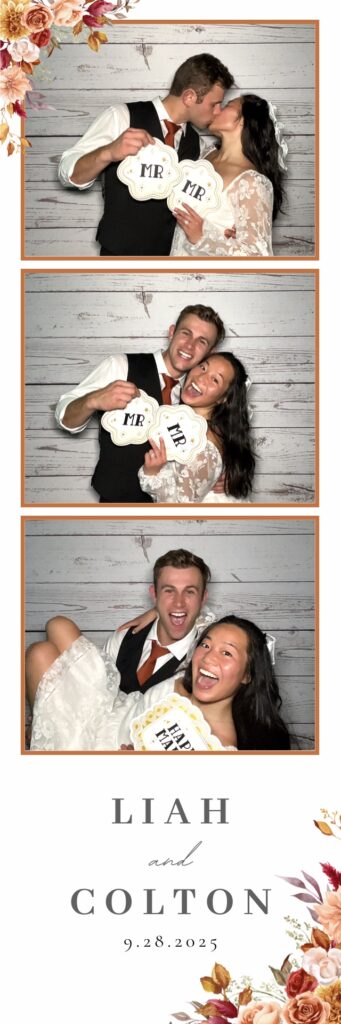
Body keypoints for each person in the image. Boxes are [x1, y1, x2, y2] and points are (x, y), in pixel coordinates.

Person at [28, 614, 290, 752]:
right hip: (112, 710)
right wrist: (157, 611)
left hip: (101, 749)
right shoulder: (189, 674)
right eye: (206, 645)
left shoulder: (218, 749)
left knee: (40, 653)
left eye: (227, 653)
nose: (209, 657)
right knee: (58, 625)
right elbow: (188, 605)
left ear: (247, 675)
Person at [58, 54, 234, 256]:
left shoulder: (198, 146)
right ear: (189, 97)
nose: (218, 111)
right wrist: (107, 153)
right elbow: (67, 173)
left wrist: (223, 228)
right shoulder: (122, 116)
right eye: (214, 104)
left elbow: (207, 199)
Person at [55, 304, 225, 503]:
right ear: (172, 332)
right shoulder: (121, 366)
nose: (189, 345)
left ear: (210, 351)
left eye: (201, 341)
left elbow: (228, 429)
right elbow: (64, 417)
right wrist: (92, 400)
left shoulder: (199, 394)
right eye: (185, 333)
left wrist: (220, 471)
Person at [26, 548, 213, 713]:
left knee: (41, 650)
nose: (179, 603)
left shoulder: (204, 657)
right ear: (154, 594)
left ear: (203, 598)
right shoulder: (125, 637)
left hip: (130, 737)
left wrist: (162, 609)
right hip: (97, 717)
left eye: (190, 592)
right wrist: (159, 610)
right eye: (169, 591)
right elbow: (96, 690)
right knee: (53, 630)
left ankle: (39, 729)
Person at [170, 94, 286, 257]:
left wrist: (203, 237)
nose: (217, 111)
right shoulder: (203, 155)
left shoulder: (252, 181)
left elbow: (257, 255)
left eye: (227, 106)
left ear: (243, 120)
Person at [138, 351, 255, 503]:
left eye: (215, 380)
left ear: (223, 398)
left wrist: (153, 473)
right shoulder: (190, 417)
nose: (201, 377)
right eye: (203, 367)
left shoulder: (203, 446)